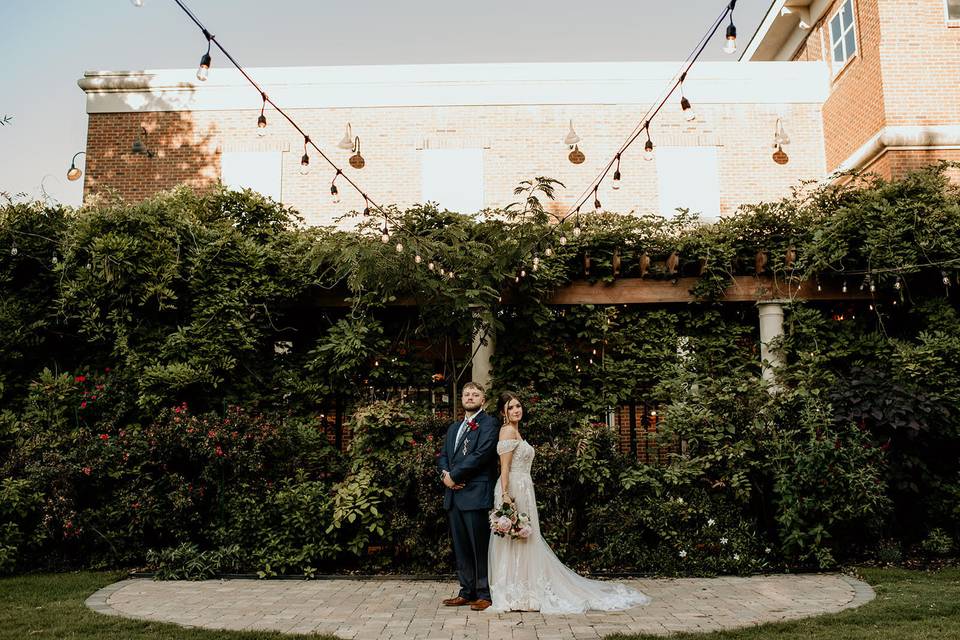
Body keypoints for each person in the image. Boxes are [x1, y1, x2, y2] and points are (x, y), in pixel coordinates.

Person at [487, 391, 651, 613]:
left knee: (524, 538)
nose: (517, 410)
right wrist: (506, 495)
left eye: (518, 406)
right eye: (511, 408)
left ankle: (526, 591)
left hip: (524, 487)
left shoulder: (516, 430)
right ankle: (514, 593)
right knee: (515, 539)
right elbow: (504, 467)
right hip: (513, 488)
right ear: (503, 412)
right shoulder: (507, 430)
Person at [437, 381, 499, 612]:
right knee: (461, 547)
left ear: (483, 400)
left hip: (475, 493)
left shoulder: (489, 423)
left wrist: (454, 475)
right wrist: (445, 475)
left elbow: (481, 455)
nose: (470, 397)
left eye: (475, 394)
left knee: (479, 546)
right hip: (453, 495)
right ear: (461, 399)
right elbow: (443, 455)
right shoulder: (454, 428)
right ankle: (466, 591)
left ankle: (484, 593)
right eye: (466, 394)